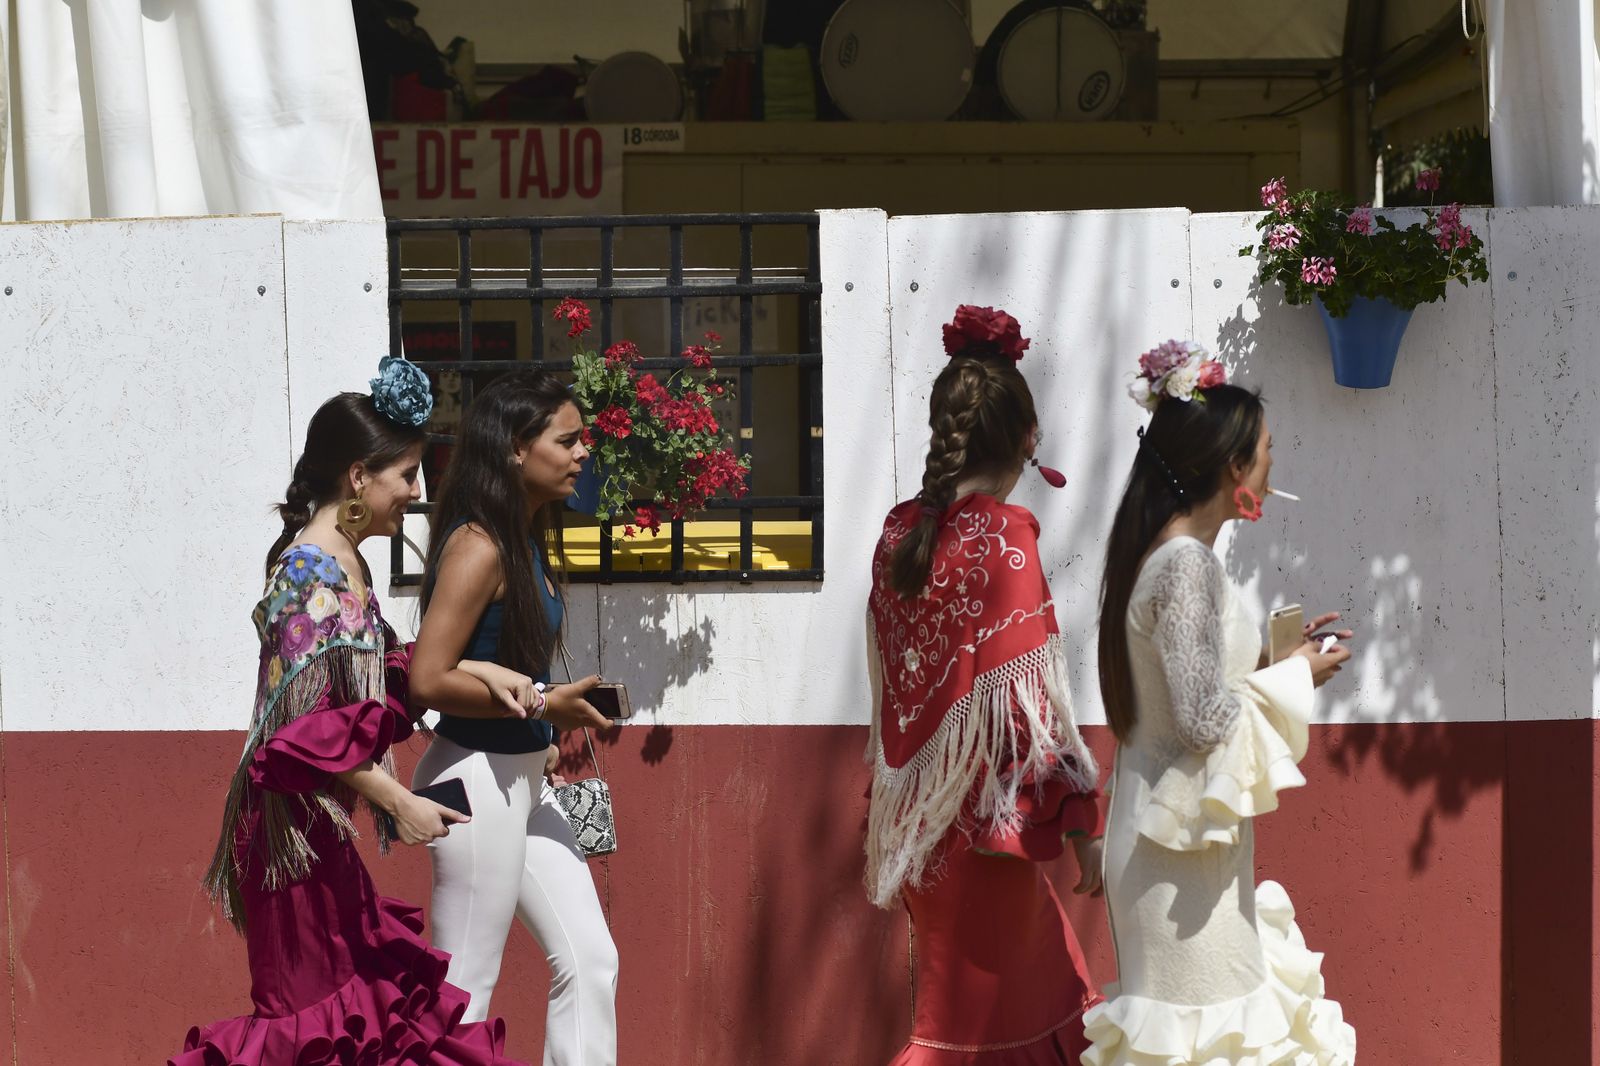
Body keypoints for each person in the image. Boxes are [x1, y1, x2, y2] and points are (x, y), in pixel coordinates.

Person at [175, 359, 525, 1065]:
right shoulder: (308, 571)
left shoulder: (347, 566)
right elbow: (294, 736)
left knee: (360, 1023)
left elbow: (384, 676)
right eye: (407, 474)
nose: (417, 493)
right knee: (313, 1030)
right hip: (288, 836)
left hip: (317, 828)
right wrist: (399, 800)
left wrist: (476, 668)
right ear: (359, 477)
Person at [1080, 341, 1358, 1065]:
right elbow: (1205, 721)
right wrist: (1294, 677)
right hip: (1176, 861)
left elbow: (1192, 693)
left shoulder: (1166, 555)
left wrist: (1273, 664)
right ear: (1235, 467)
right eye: (1267, 451)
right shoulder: (1187, 566)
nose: (1273, 466)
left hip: (1179, 847)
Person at [865, 305, 1104, 1065]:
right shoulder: (1005, 535)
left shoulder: (899, 532)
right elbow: (1031, 708)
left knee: (998, 1016)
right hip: (985, 835)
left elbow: (899, 684)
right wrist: (1080, 826)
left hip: (925, 828)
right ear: (1029, 439)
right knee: (984, 1034)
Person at [410, 369, 618, 1066]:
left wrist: (543, 733)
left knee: (590, 962)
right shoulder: (480, 545)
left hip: (522, 780)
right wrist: (544, 704)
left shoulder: (521, 535)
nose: (583, 453)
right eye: (568, 440)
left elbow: (496, 663)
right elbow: (428, 679)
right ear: (515, 449)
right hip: (475, 783)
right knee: (463, 989)